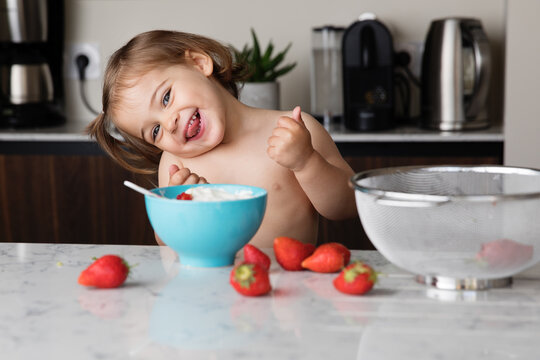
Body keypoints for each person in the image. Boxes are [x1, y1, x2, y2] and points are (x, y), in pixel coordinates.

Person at [87, 30, 357, 248]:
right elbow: (166, 244)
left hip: (287, 297)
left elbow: (347, 204)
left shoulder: (297, 129)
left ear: (199, 63)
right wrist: (178, 211)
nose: (168, 124)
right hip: (213, 300)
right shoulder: (176, 162)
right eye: (155, 131)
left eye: (166, 97)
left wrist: (306, 160)